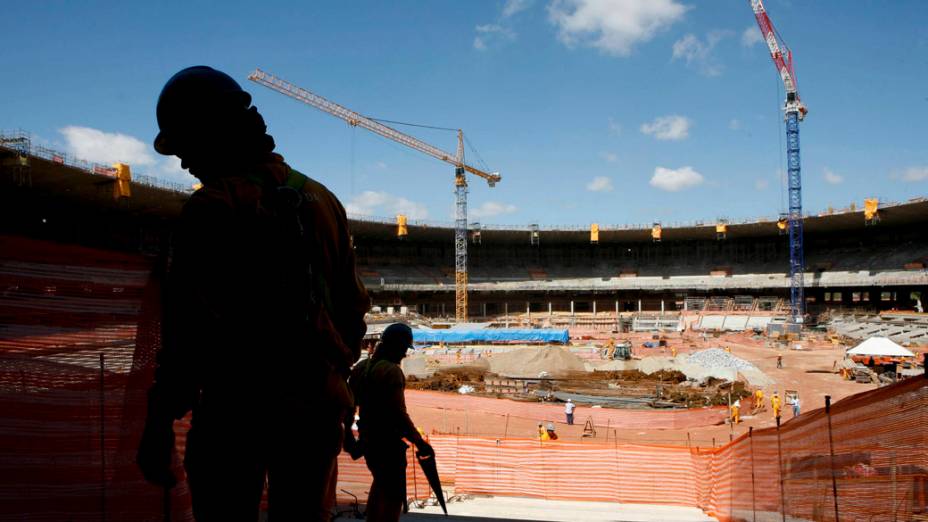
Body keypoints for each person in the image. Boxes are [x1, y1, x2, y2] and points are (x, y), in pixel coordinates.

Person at [136, 66, 370, 521]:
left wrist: (159, 420)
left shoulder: (212, 207)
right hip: (315, 411)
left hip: (236, 413)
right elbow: (353, 311)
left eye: (185, 145)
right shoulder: (323, 201)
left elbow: (187, 332)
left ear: (212, 131)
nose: (184, 162)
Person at [347, 323, 434, 522]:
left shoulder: (361, 368)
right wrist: (419, 442)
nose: (404, 354)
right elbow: (398, 415)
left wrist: (348, 439)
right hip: (387, 443)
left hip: (368, 441)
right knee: (393, 496)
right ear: (395, 346)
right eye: (404, 348)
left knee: (380, 485)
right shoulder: (391, 372)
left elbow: (349, 406)